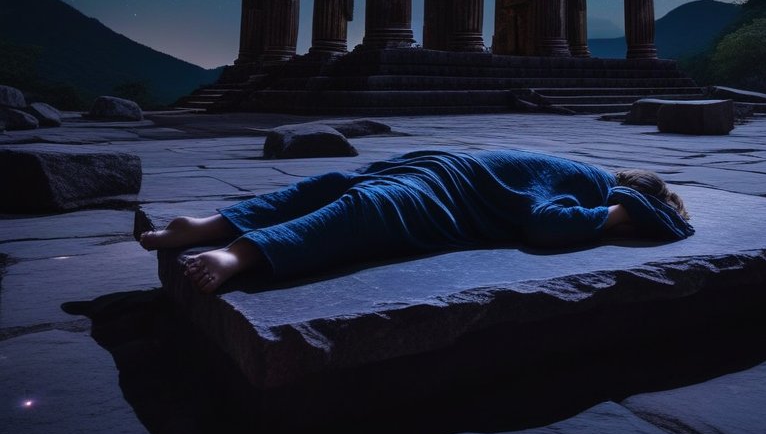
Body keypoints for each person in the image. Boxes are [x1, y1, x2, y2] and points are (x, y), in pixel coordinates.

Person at [139, 148, 694, 293]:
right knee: (360, 211)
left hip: (439, 164)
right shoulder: (596, 188)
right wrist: (618, 216)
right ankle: (237, 253)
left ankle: (211, 223)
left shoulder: (577, 172)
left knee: (332, 187)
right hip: (447, 192)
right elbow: (546, 226)